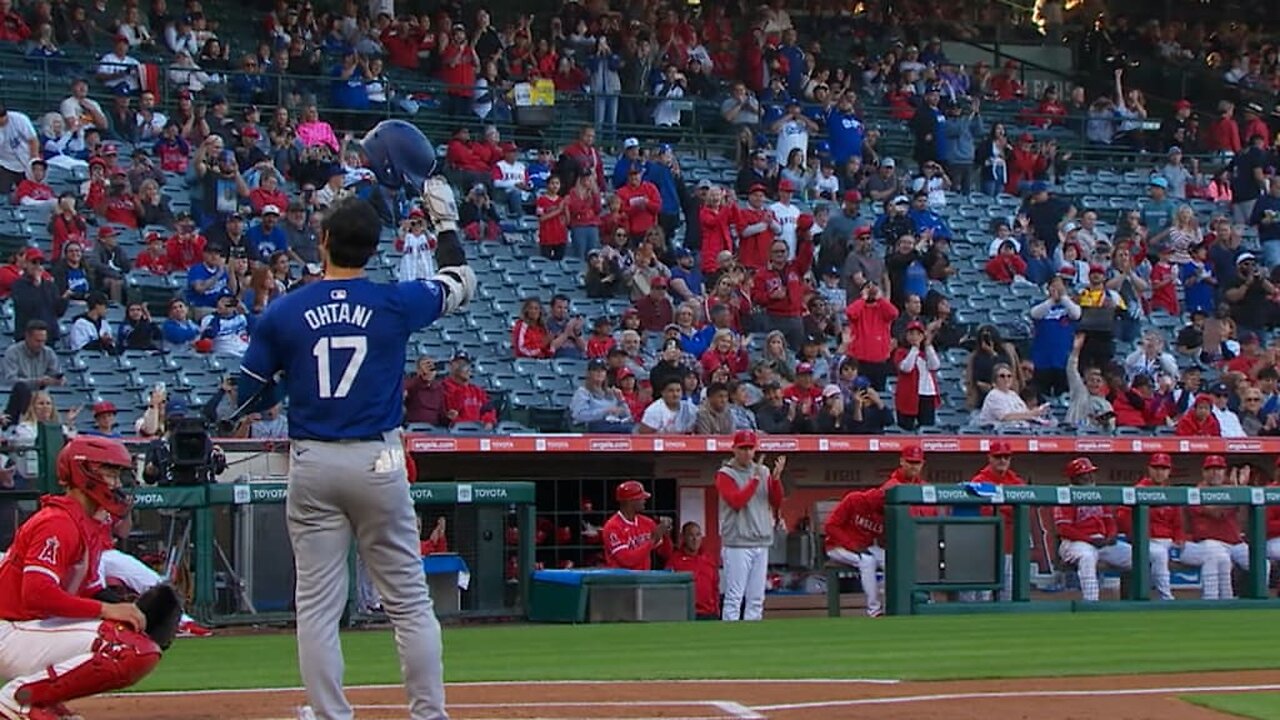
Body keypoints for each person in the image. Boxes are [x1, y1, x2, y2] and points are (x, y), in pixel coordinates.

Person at [239, 193, 475, 720]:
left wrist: (286, 382)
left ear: (323, 241)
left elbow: (249, 395)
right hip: (380, 458)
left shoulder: (286, 309)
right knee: (410, 602)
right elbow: (462, 281)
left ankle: (330, 714)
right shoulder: (394, 301)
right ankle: (429, 714)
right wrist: (447, 224)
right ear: (374, 249)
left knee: (319, 608)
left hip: (314, 459)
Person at [0, 436, 163, 719]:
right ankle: (16, 700)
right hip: (10, 627)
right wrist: (107, 610)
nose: (115, 483)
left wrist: (130, 609)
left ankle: (43, 700)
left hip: (26, 626)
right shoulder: (57, 522)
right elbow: (37, 593)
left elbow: (86, 593)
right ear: (83, 472)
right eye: (109, 472)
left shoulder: (88, 523)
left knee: (131, 638)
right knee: (122, 648)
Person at [824, 445, 930, 617]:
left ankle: (894, 605)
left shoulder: (887, 514)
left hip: (863, 547)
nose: (880, 508)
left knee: (892, 560)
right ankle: (874, 611)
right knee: (867, 561)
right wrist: (852, 545)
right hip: (836, 546)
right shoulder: (855, 500)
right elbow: (830, 527)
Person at [716, 430, 786, 622]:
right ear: (734, 449)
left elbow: (776, 501)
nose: (747, 453)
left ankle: (752, 637)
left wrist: (776, 480)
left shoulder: (763, 471)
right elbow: (737, 501)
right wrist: (754, 480)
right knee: (734, 597)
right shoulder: (725, 474)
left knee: (756, 598)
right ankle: (730, 634)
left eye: (750, 448)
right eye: (743, 448)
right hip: (737, 542)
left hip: (761, 540)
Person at [1053, 457, 1133, 603]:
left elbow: (1109, 520)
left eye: (1091, 473)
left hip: (1101, 542)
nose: (1090, 477)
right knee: (1087, 557)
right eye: (1085, 474)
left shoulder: (1098, 493)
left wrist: (1111, 535)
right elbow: (1063, 529)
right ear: (1075, 478)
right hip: (1074, 543)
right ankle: (1091, 602)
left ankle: (1131, 599)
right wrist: (1090, 540)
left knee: (1135, 556)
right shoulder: (1066, 495)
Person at [1181, 458, 1260, 600]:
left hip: (1235, 544)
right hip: (1206, 543)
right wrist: (1238, 492)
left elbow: (1243, 518)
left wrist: (1239, 492)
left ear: (1224, 472)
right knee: (1218, 555)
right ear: (1203, 472)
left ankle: (1255, 600)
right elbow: (1216, 512)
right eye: (1210, 469)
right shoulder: (1196, 491)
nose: (1215, 473)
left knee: (1261, 563)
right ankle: (1213, 600)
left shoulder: (1231, 490)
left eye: (1219, 469)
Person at [1114, 453, 1183, 601]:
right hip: (1148, 542)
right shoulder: (1139, 489)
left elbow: (1178, 523)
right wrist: (1138, 536)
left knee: (1214, 554)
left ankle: (1218, 600)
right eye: (1156, 468)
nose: (1160, 472)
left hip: (1169, 542)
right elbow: (1122, 517)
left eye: (1164, 468)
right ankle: (1166, 597)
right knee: (1159, 554)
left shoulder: (1170, 492)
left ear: (1169, 471)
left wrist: (1179, 539)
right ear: (1149, 469)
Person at [601, 481, 672, 570]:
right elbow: (627, 560)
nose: (644, 500)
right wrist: (653, 540)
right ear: (630, 501)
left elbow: (666, 553)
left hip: (643, 579)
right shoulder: (612, 527)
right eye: (641, 498)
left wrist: (666, 535)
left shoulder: (647, 522)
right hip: (620, 581)